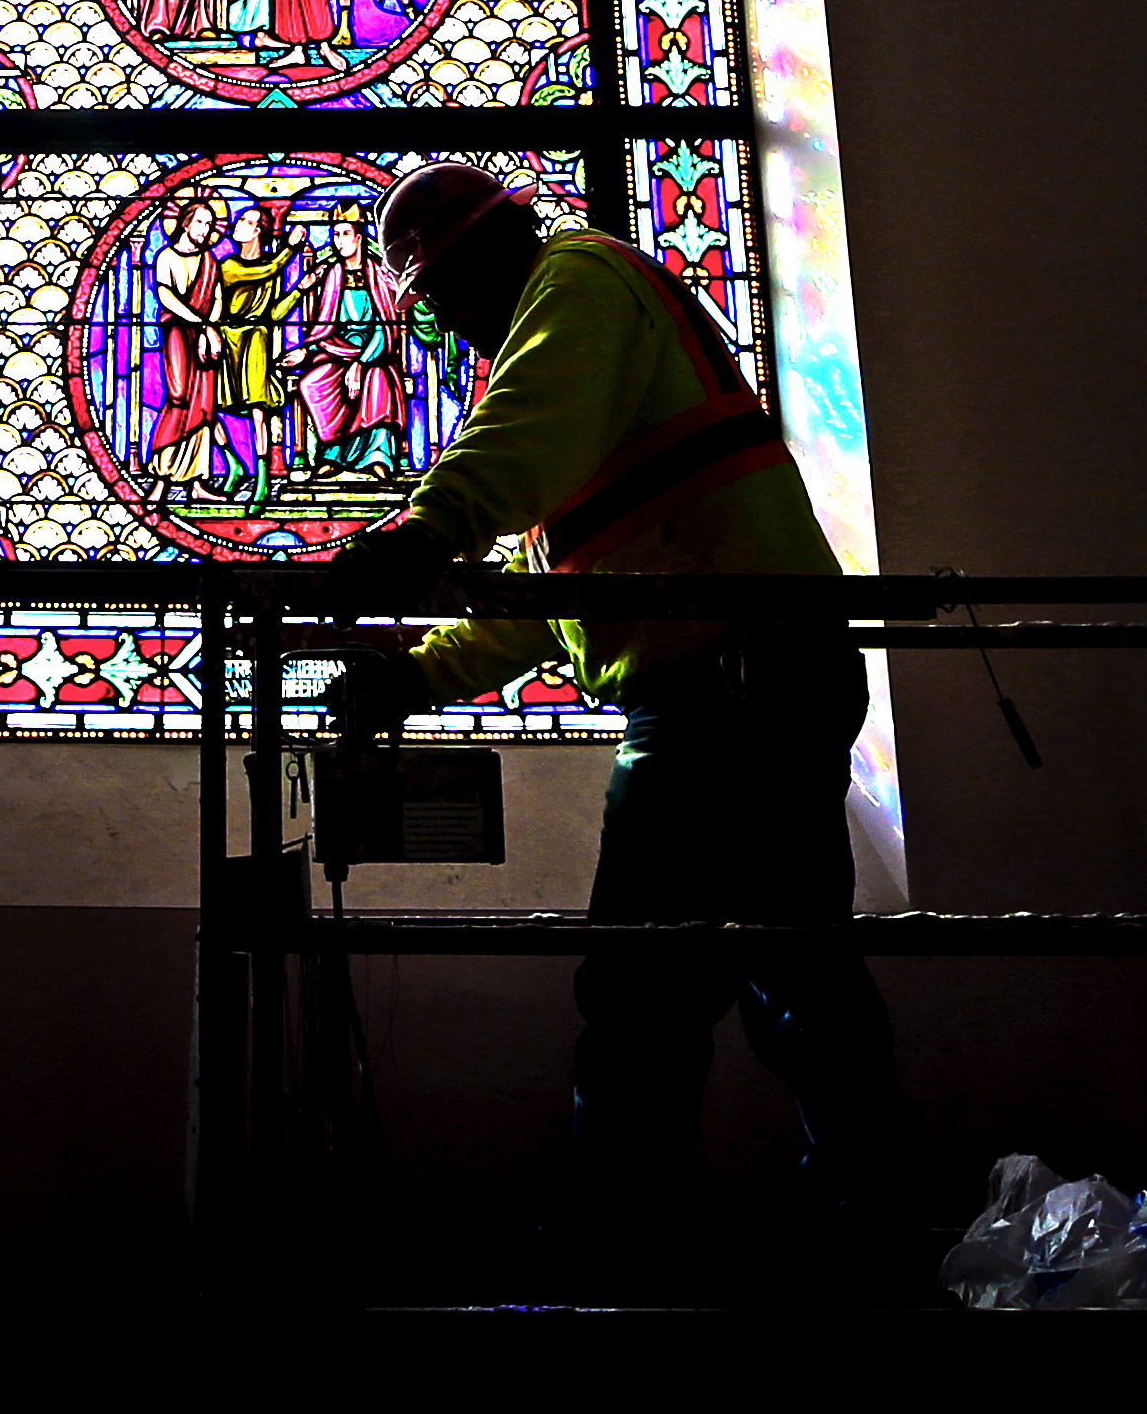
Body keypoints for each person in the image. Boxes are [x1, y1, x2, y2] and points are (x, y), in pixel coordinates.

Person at [312, 163, 913, 1247]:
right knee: (789, 966)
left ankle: (624, 1255)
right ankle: (866, 1222)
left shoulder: (577, 281)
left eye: (440, 292)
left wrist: (420, 535)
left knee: (642, 985)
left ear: (488, 250)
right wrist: (416, 675)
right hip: (746, 675)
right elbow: (557, 599)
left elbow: (518, 434)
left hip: (725, 682)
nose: (445, 324)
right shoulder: (591, 381)